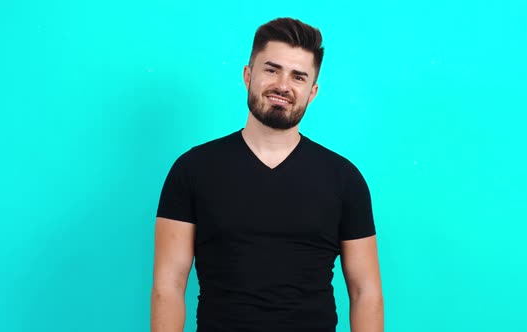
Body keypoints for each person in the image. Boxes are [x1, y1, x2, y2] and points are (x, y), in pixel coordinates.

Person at [151, 17, 383, 332]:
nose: (283, 86)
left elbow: (365, 291)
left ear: (312, 92)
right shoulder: (192, 170)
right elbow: (169, 285)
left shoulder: (344, 179)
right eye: (271, 70)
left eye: (298, 77)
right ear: (248, 75)